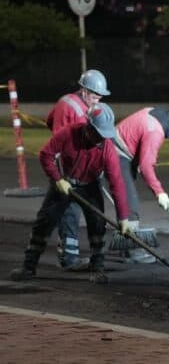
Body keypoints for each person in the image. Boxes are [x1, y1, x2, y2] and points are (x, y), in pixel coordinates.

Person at [10, 103, 133, 282]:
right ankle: (28, 267)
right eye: (98, 134)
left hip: (90, 186)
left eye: (104, 136)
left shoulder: (107, 150)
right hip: (64, 183)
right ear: (88, 127)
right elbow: (46, 154)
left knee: (97, 225)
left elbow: (116, 183)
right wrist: (58, 179)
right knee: (44, 223)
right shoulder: (68, 133)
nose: (100, 139)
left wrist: (124, 218)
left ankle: (98, 269)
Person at [110, 104, 169, 263]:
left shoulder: (154, 112)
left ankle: (124, 245)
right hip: (116, 153)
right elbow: (146, 166)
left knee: (125, 200)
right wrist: (160, 193)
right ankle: (131, 250)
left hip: (121, 150)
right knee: (130, 204)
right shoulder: (155, 131)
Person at [46, 69, 111, 271]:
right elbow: (57, 135)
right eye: (94, 96)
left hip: (79, 167)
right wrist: (60, 176)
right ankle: (68, 257)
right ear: (83, 91)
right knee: (69, 210)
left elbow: (48, 120)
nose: (97, 101)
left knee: (87, 210)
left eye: (100, 97)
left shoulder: (86, 107)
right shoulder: (68, 106)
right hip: (66, 169)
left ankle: (86, 255)